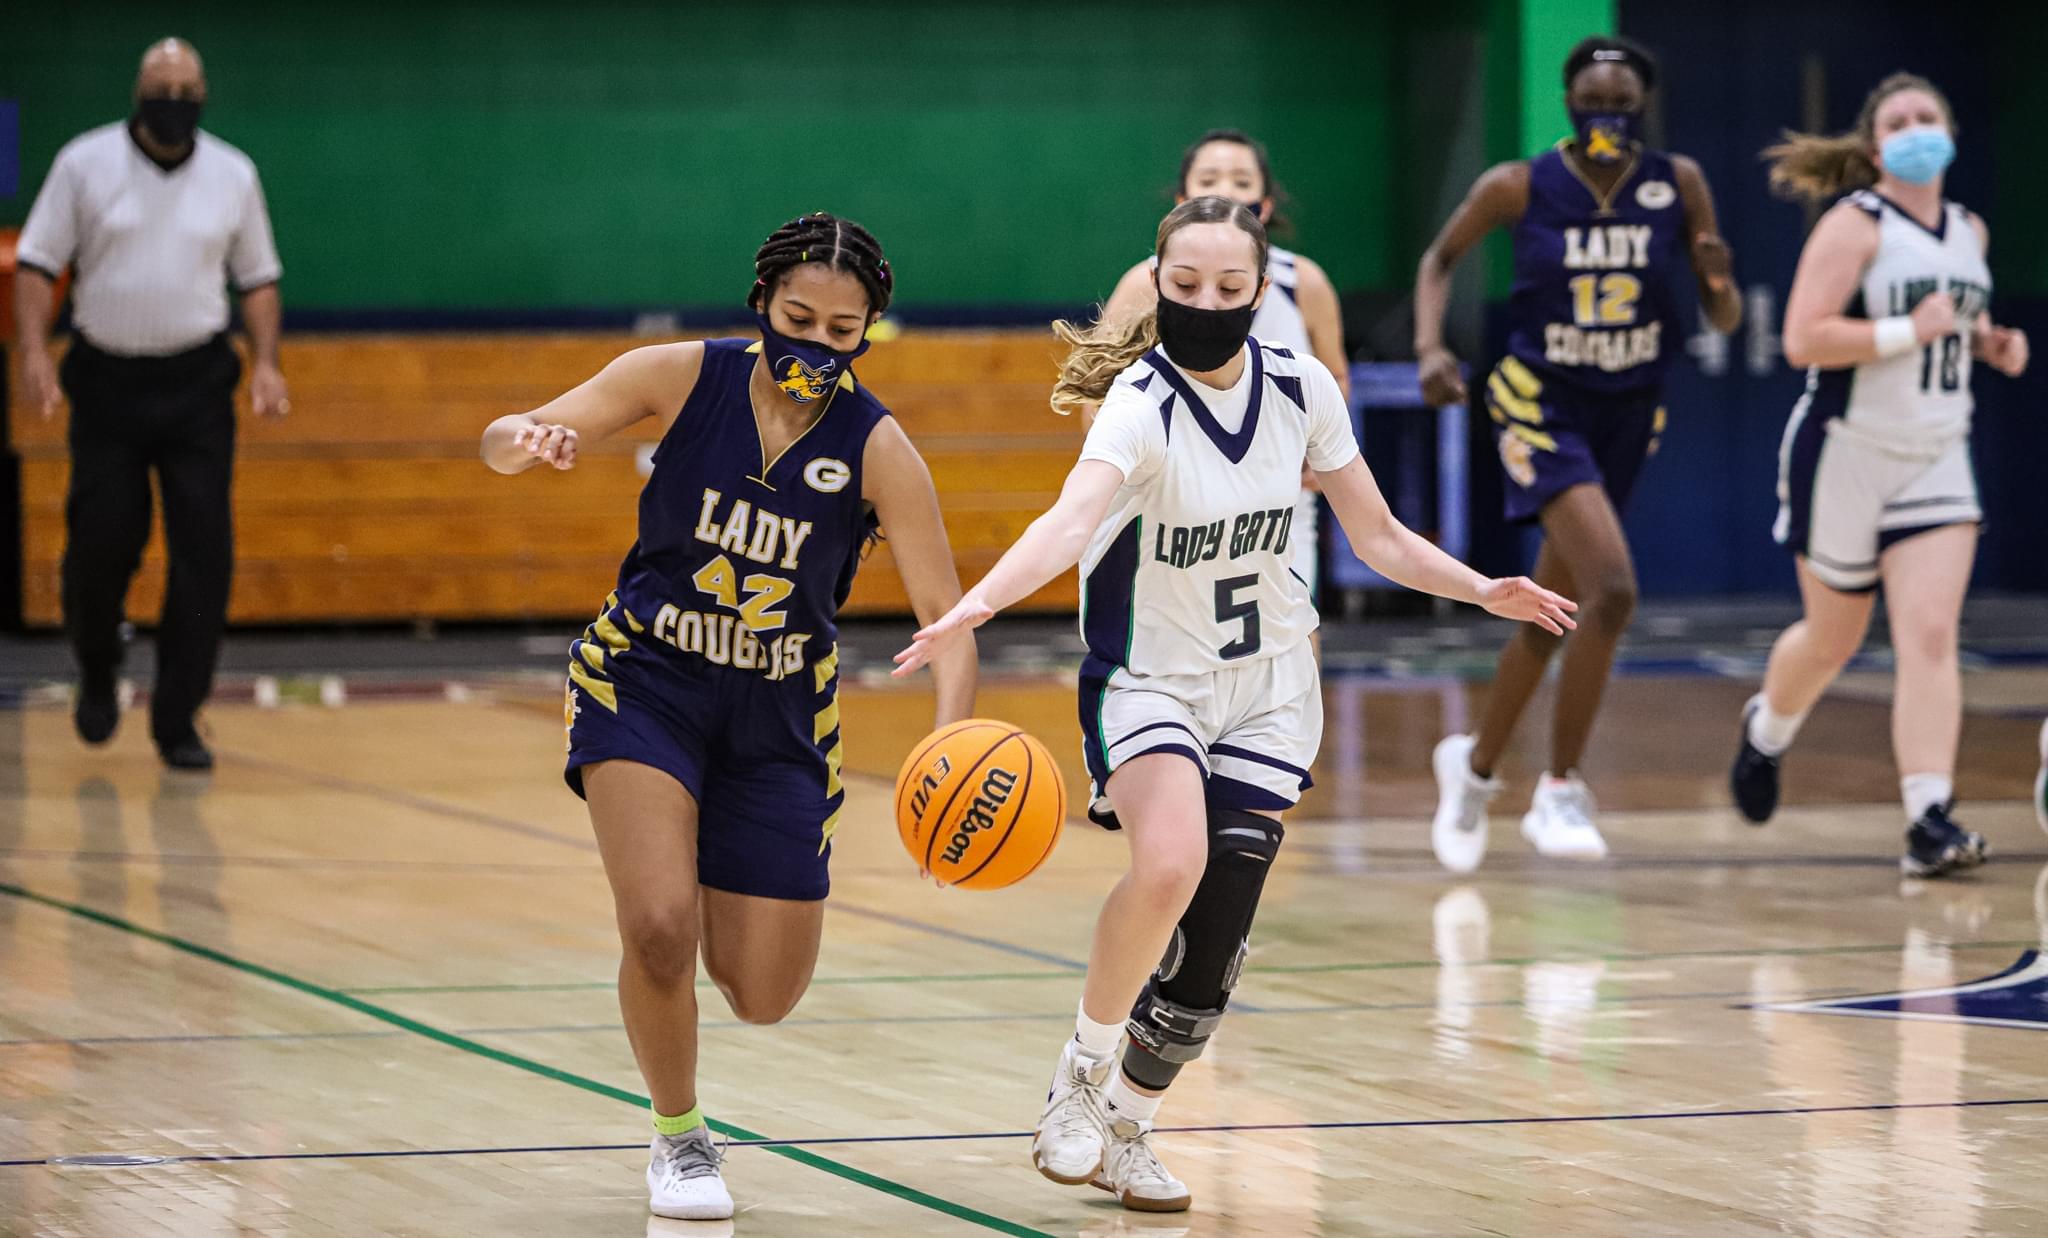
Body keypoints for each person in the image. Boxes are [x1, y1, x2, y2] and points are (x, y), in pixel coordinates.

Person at [892, 196, 1573, 1212]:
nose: (1204, 302)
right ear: (1155, 285)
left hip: (1267, 690)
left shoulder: (1300, 388)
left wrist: (1482, 587)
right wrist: (978, 604)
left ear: (1261, 292)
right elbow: (1070, 519)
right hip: (1152, 679)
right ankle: (1078, 1075)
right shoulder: (1138, 400)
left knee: (1212, 949)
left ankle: (1131, 1124)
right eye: (1183, 286)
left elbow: (1378, 537)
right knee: (1169, 860)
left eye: (1227, 287)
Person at [481, 213, 977, 1220]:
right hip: (647, 681)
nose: (815, 343)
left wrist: (951, 740)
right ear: (763, 302)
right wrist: (529, 439)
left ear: (867, 331)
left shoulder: (879, 448)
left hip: (779, 717)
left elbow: (951, 623)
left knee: (762, 992)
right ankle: (680, 1137)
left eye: (843, 330)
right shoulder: (678, 376)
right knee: (658, 925)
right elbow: (502, 437)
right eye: (798, 316)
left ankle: (701, 851)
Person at [1412, 35, 1741, 871]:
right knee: (1615, 591)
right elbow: (1438, 260)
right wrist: (1430, 348)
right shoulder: (1518, 184)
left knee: (1554, 609)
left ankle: (1475, 769)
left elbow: (1727, 320)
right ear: (1568, 104)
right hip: (1537, 401)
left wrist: (1718, 278)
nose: (1606, 115)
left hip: (1629, 409)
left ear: (1642, 107)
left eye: (1620, 102)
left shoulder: (1681, 182)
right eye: (1592, 101)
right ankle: (1559, 787)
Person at [1728, 74, 2028, 877]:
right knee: (1833, 638)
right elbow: (1803, 338)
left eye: (1928, 115)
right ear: (1874, 149)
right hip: (1847, 449)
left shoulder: (1970, 229)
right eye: (1898, 121)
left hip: (1937, 451)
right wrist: (1908, 328)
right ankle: (1767, 730)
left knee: (1930, 636)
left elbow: (1956, 323)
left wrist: (1989, 343)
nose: (1915, 128)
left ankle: (1928, 818)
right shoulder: (1853, 224)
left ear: (1951, 132)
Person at [12, 37, 289, 770]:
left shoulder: (233, 173)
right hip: (106, 383)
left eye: (186, 88)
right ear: (138, 92)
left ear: (202, 96)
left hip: (197, 384)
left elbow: (257, 278)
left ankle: (177, 718)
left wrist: (266, 363)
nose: (173, 99)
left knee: (204, 554)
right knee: (100, 549)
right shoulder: (85, 163)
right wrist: (35, 352)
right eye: (160, 86)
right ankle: (99, 666)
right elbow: (39, 262)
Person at [1099, 128, 1351, 598]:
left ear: (1266, 204)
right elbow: (1098, 391)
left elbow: (1335, 376)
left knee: (1295, 632)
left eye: (1241, 180)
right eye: (1209, 178)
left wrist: (1321, 452)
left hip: (1278, 499)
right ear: (1182, 200)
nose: (1225, 191)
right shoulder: (1143, 283)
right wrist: (1115, 473)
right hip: (1171, 498)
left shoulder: (1304, 283)